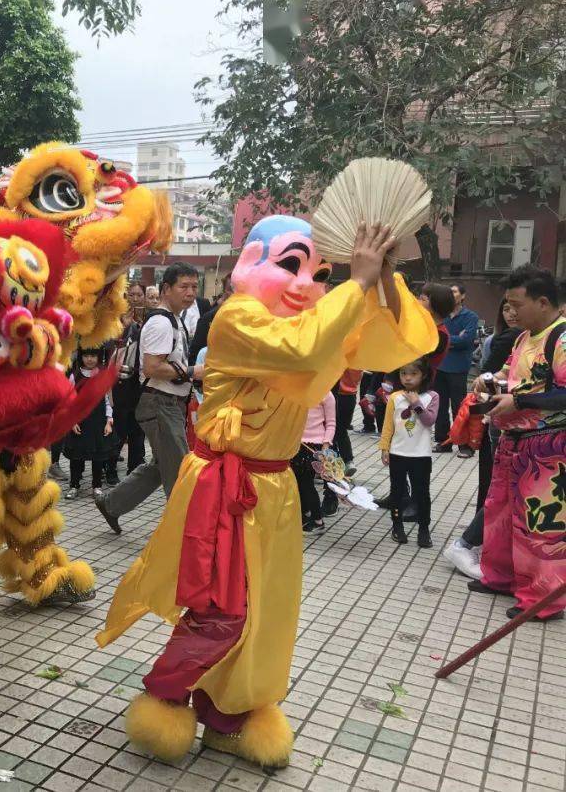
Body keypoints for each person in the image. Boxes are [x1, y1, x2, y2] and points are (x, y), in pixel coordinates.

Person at [98, 217, 436, 771]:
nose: (307, 282)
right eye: (290, 263)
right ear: (254, 259)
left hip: (275, 487)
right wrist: (355, 285)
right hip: (225, 490)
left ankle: (230, 715)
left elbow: (385, 343)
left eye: (319, 272)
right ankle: (164, 698)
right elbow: (300, 352)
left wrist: (379, 280)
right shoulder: (239, 318)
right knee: (220, 612)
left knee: (267, 616)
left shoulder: (311, 322)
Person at [469, 265, 566, 622]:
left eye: (516, 303)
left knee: (541, 525)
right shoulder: (526, 336)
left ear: (543, 302)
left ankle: (543, 599)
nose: (510, 311)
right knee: (502, 511)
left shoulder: (562, 337)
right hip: (514, 439)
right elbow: (516, 378)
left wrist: (520, 402)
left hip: (549, 447)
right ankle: (502, 576)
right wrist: (491, 381)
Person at [93, 262, 199, 534]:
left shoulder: (175, 321)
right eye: (184, 286)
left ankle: (111, 504)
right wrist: (193, 371)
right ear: (166, 289)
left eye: (194, 287)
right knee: (179, 473)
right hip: (160, 403)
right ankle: (182, 534)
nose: (190, 293)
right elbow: (151, 368)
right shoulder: (162, 322)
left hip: (168, 404)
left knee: (159, 466)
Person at [379, 358, 438, 546]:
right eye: (404, 373)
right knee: (397, 492)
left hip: (421, 455)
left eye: (413, 374)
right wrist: (384, 448)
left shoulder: (432, 396)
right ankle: (397, 526)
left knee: (422, 493)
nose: (408, 378)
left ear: (424, 375)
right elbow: (388, 425)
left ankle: (424, 529)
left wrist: (416, 403)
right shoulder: (395, 397)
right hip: (398, 453)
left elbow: (429, 421)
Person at [63, 348, 120, 499]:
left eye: (93, 356)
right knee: (76, 456)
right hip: (80, 421)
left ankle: (97, 486)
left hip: (98, 420)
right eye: (86, 356)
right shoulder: (74, 376)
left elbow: (108, 400)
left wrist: (109, 420)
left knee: (98, 456)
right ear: (81, 357)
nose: (89, 359)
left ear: (98, 357)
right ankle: (74, 485)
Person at [433, 283, 479, 453]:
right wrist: (453, 339)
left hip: (459, 368)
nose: (450, 295)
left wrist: (445, 340)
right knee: (440, 406)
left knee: (459, 408)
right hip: (440, 366)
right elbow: (433, 336)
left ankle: (463, 443)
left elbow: (466, 341)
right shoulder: (441, 315)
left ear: (463, 296)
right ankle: (443, 441)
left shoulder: (470, 317)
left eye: (454, 292)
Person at [112, 282, 147, 477]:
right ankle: (111, 464)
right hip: (121, 381)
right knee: (119, 424)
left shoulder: (151, 318)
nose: (135, 298)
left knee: (138, 426)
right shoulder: (119, 320)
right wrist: (124, 328)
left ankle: (135, 466)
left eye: (139, 294)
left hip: (140, 381)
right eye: (132, 295)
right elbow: (113, 347)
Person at [294, 391, 335, 533]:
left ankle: (318, 520)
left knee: (306, 484)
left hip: (313, 446)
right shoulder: (295, 390)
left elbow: (331, 424)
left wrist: (325, 445)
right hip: (294, 443)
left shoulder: (326, 394)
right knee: (296, 482)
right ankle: (305, 515)